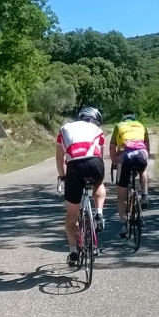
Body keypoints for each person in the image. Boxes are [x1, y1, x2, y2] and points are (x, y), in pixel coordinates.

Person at [56, 106, 107, 267]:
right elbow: (101, 154)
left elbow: (59, 158)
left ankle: (72, 252)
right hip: (95, 163)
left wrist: (63, 176)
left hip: (74, 167)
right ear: (94, 120)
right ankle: (98, 212)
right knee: (98, 183)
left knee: (71, 216)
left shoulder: (65, 128)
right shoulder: (97, 129)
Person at [110, 110, 150, 239]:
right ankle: (145, 195)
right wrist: (144, 159)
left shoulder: (119, 126)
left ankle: (123, 224)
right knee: (143, 170)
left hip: (125, 156)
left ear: (124, 119)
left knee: (121, 194)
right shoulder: (142, 125)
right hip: (141, 154)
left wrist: (115, 162)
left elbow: (112, 147)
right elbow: (147, 146)